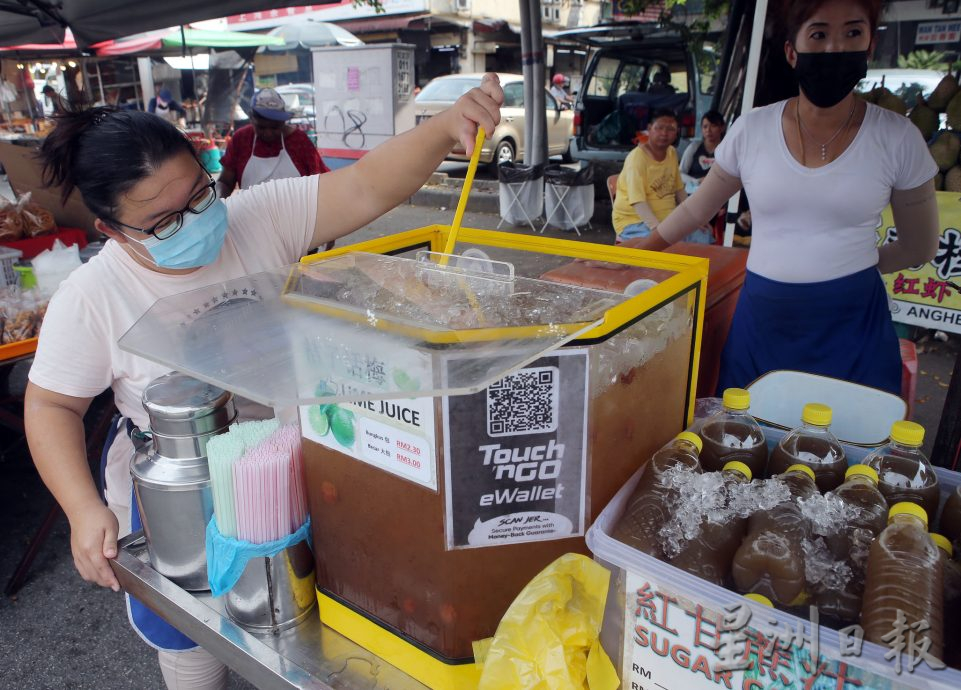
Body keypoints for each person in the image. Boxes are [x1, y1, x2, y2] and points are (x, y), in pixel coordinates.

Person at [25, 74, 503, 690]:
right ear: (112, 231)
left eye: (200, 197)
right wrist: (82, 508)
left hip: (290, 460)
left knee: (302, 624)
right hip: (181, 484)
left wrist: (442, 130)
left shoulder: (258, 218)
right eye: (163, 223)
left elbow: (363, 186)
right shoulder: (90, 297)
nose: (196, 224)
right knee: (194, 642)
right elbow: (51, 406)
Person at [621, 0, 939, 395]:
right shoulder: (753, 129)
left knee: (847, 447)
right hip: (762, 324)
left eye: (853, 33)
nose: (835, 48)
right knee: (745, 443)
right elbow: (697, 207)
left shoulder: (897, 137)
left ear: (870, 45)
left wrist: (850, 269)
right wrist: (634, 255)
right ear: (792, 51)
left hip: (853, 328)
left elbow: (920, 246)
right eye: (819, 34)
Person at [611, 109, 711, 243]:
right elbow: (638, 202)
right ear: (649, 129)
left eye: (671, 129)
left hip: (668, 219)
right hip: (635, 222)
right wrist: (657, 230)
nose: (664, 133)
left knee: (704, 236)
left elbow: (679, 190)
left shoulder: (671, 153)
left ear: (677, 133)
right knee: (673, 246)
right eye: (659, 128)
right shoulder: (637, 158)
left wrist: (692, 218)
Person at [216, 88, 329, 197]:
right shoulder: (241, 139)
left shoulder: (298, 141)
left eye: (275, 127)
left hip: (296, 215)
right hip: (253, 215)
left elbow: (320, 181)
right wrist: (217, 200)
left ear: (283, 122)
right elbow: (226, 181)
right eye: (261, 127)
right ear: (251, 118)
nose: (268, 133)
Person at [679, 110, 726, 188]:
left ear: (722, 128)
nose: (708, 130)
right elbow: (680, 174)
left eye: (713, 126)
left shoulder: (726, 150)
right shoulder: (694, 147)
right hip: (692, 194)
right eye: (705, 127)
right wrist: (697, 181)